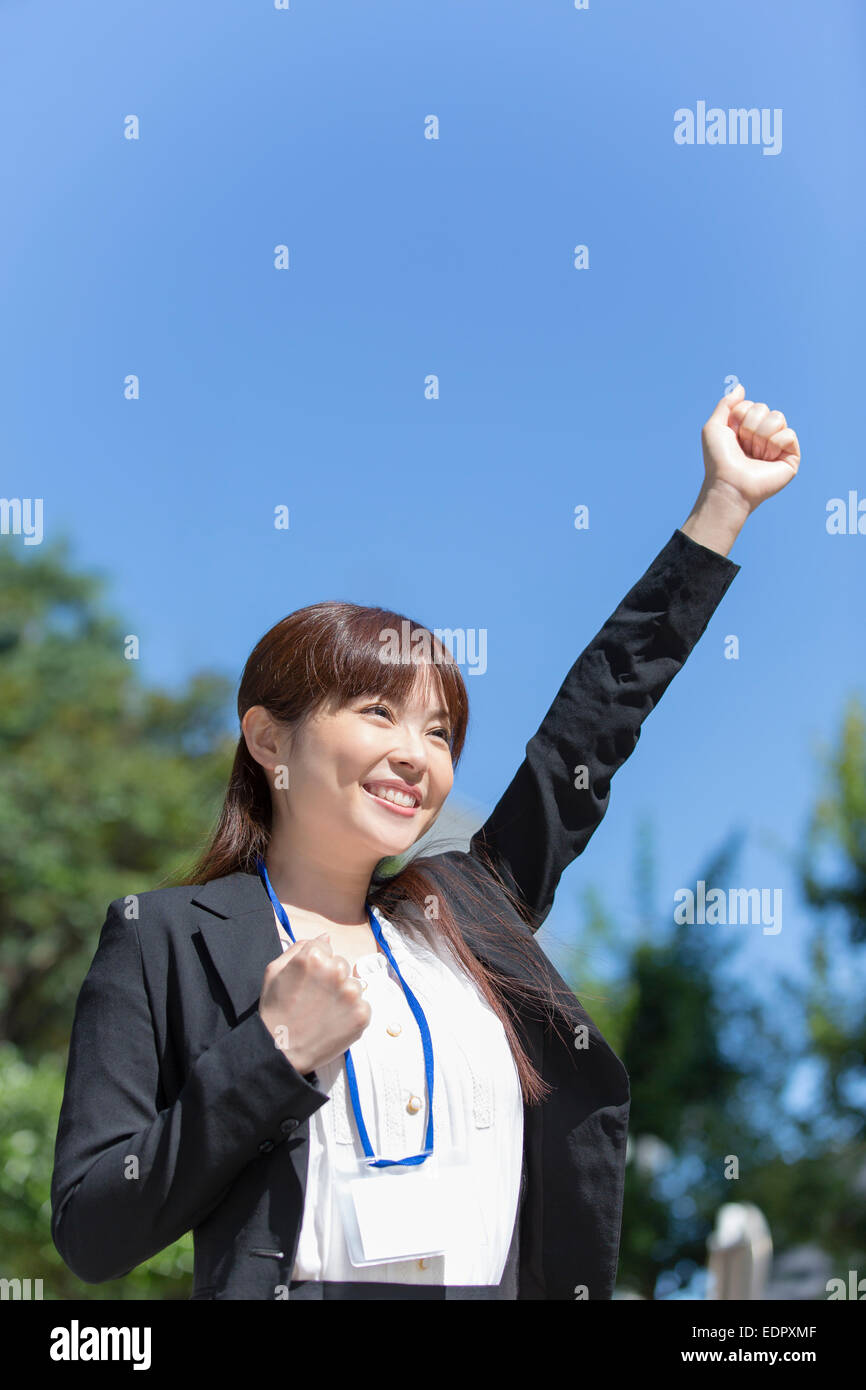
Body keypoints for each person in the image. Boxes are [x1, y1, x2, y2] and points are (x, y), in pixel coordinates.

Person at [50, 386, 800, 1300]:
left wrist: (722, 504)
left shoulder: (471, 908)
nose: (417, 757)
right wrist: (270, 1054)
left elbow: (594, 724)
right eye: (378, 715)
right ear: (269, 738)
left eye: (441, 733)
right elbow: (93, 1225)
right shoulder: (162, 938)